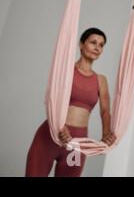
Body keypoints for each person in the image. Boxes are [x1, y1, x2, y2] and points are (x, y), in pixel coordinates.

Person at [25, 28, 116, 177]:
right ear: (81, 44)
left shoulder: (101, 80)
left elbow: (105, 110)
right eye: (93, 42)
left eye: (101, 45)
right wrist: (60, 126)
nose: (97, 47)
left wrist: (106, 134)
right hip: (51, 135)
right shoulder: (66, 70)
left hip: (77, 145)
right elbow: (52, 98)